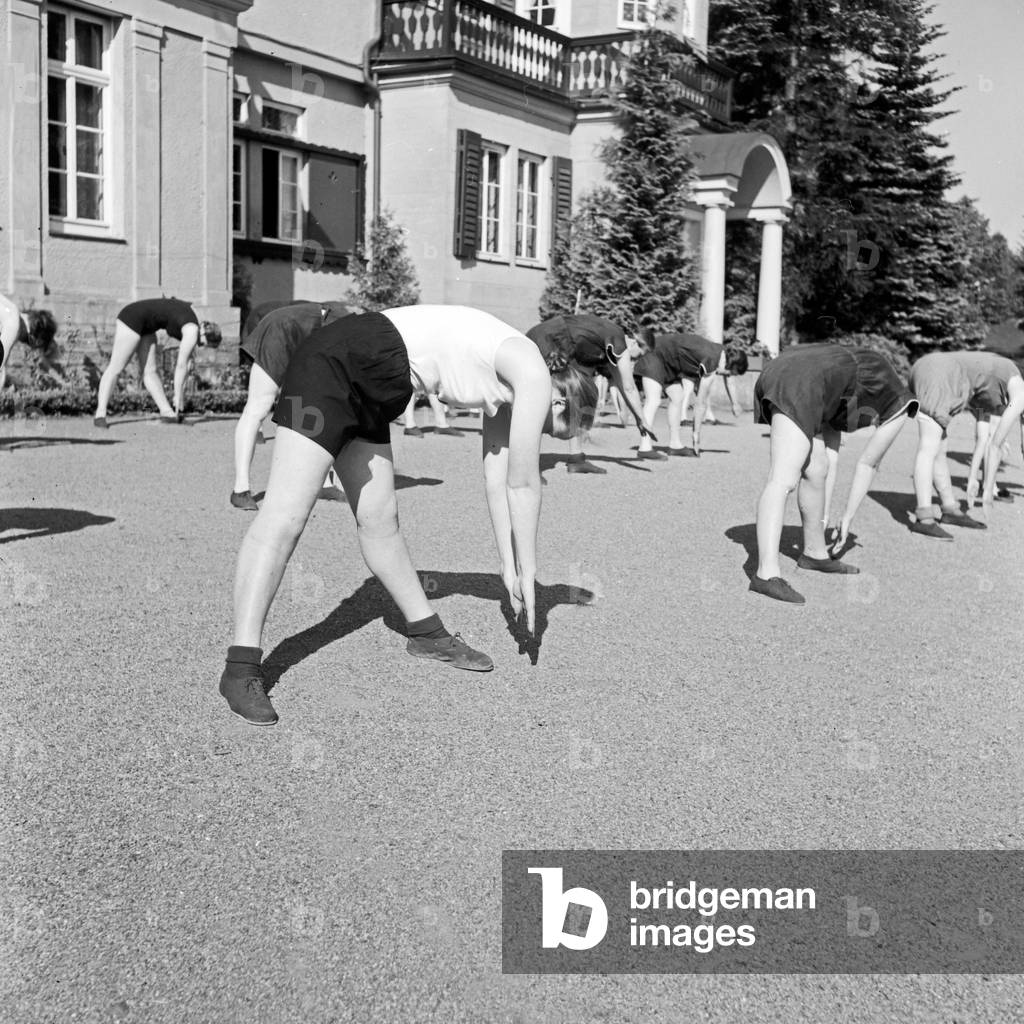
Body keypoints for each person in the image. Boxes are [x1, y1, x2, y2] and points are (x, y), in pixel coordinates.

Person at [219, 304, 595, 726]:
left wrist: (509, 566)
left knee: (380, 522)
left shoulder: (509, 383)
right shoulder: (532, 372)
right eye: (553, 429)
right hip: (340, 363)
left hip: (379, 380)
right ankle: (241, 667)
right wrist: (532, 571)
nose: (543, 435)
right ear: (558, 399)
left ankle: (425, 633)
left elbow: (497, 478)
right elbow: (524, 483)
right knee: (284, 519)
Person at [751, 343, 918, 604]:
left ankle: (815, 553)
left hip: (787, 369)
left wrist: (826, 516)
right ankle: (765, 573)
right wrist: (848, 518)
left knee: (817, 467)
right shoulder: (899, 401)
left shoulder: (856, 381)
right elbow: (869, 464)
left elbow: (831, 454)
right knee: (783, 478)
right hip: (800, 380)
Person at [231, 301, 352, 510]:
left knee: (316, 406)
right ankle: (240, 489)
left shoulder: (355, 328)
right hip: (281, 331)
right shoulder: (358, 331)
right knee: (258, 407)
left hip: (305, 342)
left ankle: (324, 483)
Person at [908, 350, 1024, 538]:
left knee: (939, 447)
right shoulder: (1019, 392)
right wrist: (987, 491)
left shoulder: (1009, 381)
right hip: (940, 372)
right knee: (929, 447)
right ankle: (924, 517)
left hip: (935, 368)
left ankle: (950, 509)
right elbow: (994, 446)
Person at [526, 313, 653, 471]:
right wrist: (642, 419)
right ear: (635, 342)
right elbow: (629, 387)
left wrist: (637, 416)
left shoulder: (610, 343)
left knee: (580, 395)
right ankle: (527, 468)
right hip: (549, 338)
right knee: (542, 404)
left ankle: (576, 458)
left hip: (552, 338)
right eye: (640, 353)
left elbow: (622, 385)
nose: (637, 359)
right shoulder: (620, 342)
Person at [93, 297, 220, 426]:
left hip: (147, 326)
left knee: (150, 371)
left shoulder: (195, 322)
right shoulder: (192, 331)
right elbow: (181, 366)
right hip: (131, 318)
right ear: (204, 333)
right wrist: (177, 396)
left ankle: (168, 413)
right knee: (116, 367)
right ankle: (100, 415)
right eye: (203, 344)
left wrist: (180, 394)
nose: (199, 345)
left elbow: (186, 366)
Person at [634, 330, 746, 456]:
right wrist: (696, 436)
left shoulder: (722, 353)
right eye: (731, 373)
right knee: (653, 400)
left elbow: (729, 377)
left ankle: (675, 445)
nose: (728, 377)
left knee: (677, 396)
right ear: (729, 366)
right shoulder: (711, 359)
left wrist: (735, 403)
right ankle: (644, 447)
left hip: (669, 363)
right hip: (655, 354)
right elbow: (700, 404)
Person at [0, 295, 60, 390]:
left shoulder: (12, 311)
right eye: (37, 345)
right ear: (37, 340)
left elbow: (40, 358)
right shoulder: (14, 324)